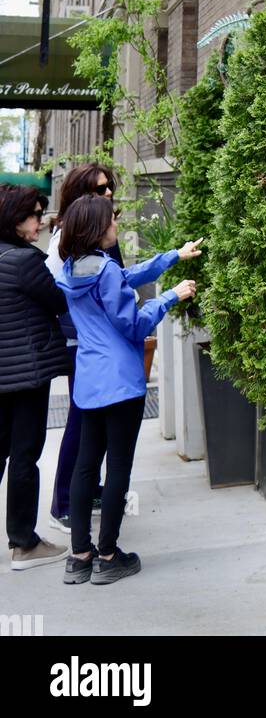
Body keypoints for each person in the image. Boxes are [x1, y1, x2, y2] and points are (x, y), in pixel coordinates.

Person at [56, 194, 201, 585]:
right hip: (120, 383)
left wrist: (173, 255)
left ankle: (80, 556)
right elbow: (134, 325)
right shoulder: (104, 271)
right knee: (117, 466)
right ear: (97, 229)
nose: (116, 225)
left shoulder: (73, 269)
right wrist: (171, 296)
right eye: (111, 221)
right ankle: (108, 556)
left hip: (89, 383)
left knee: (86, 466)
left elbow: (125, 276)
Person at [0, 184, 73, 569]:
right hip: (27, 374)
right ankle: (24, 543)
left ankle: (22, 540)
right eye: (34, 215)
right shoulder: (26, 261)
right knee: (25, 456)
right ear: (15, 221)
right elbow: (58, 300)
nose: (40, 221)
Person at [45, 163, 121, 533]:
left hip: (99, 342)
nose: (108, 194)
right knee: (81, 421)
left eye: (109, 187)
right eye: (99, 189)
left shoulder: (100, 234)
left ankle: (86, 491)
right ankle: (63, 501)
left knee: (96, 423)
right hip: (83, 344)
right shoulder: (65, 242)